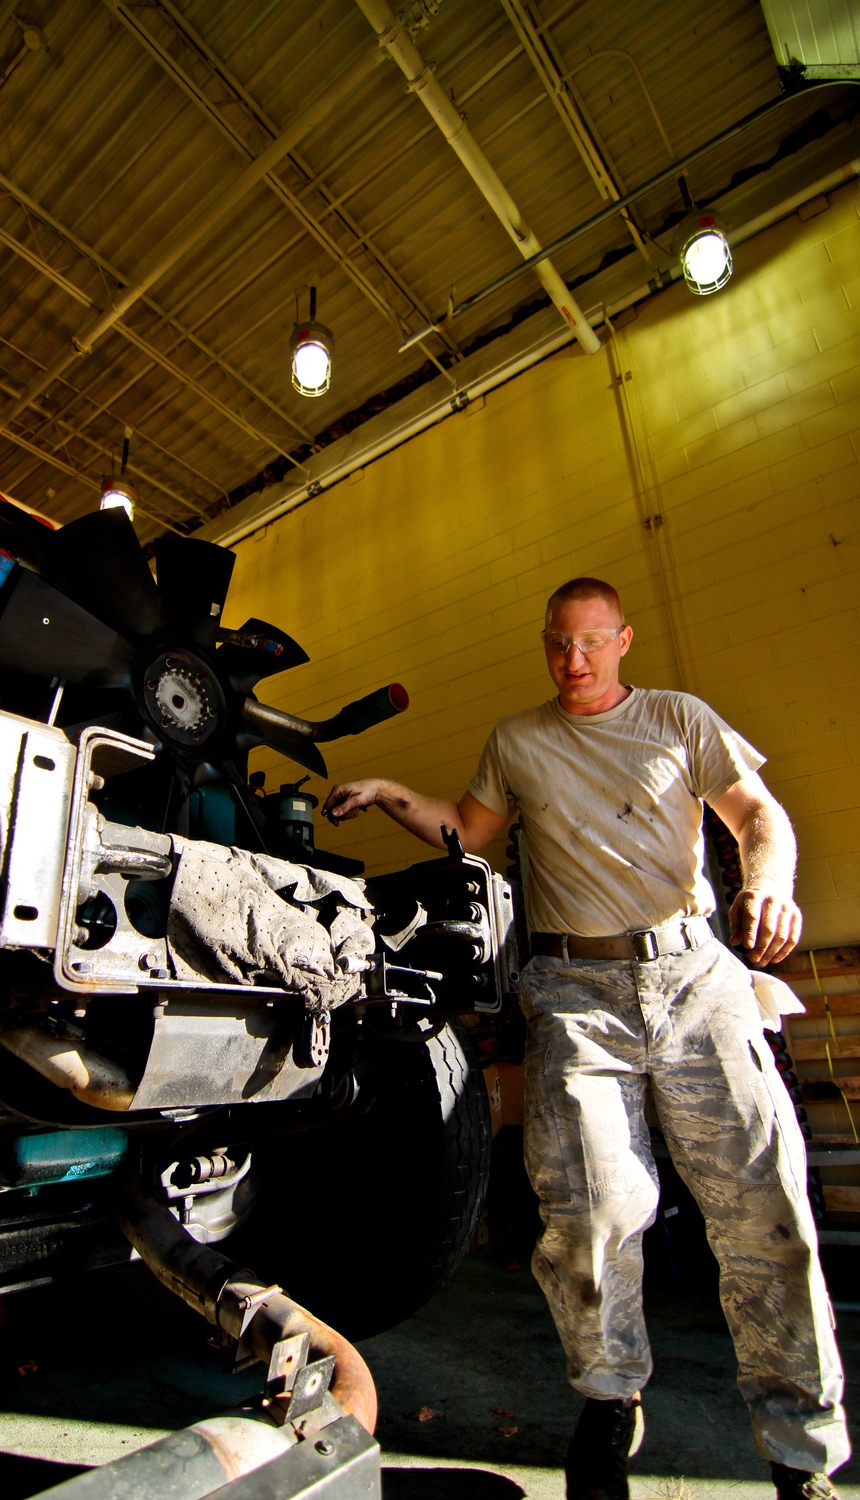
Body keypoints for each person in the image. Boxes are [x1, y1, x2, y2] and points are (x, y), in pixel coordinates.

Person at [323, 577, 848, 1500]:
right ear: (545, 646)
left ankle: (800, 1448)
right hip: (574, 992)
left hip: (695, 978)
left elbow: (758, 816)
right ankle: (610, 1399)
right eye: (558, 645)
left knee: (766, 1211)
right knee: (591, 1212)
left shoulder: (680, 720)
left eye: (591, 643)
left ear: (623, 641)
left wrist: (770, 882)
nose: (574, 660)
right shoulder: (518, 740)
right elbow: (468, 833)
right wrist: (390, 790)